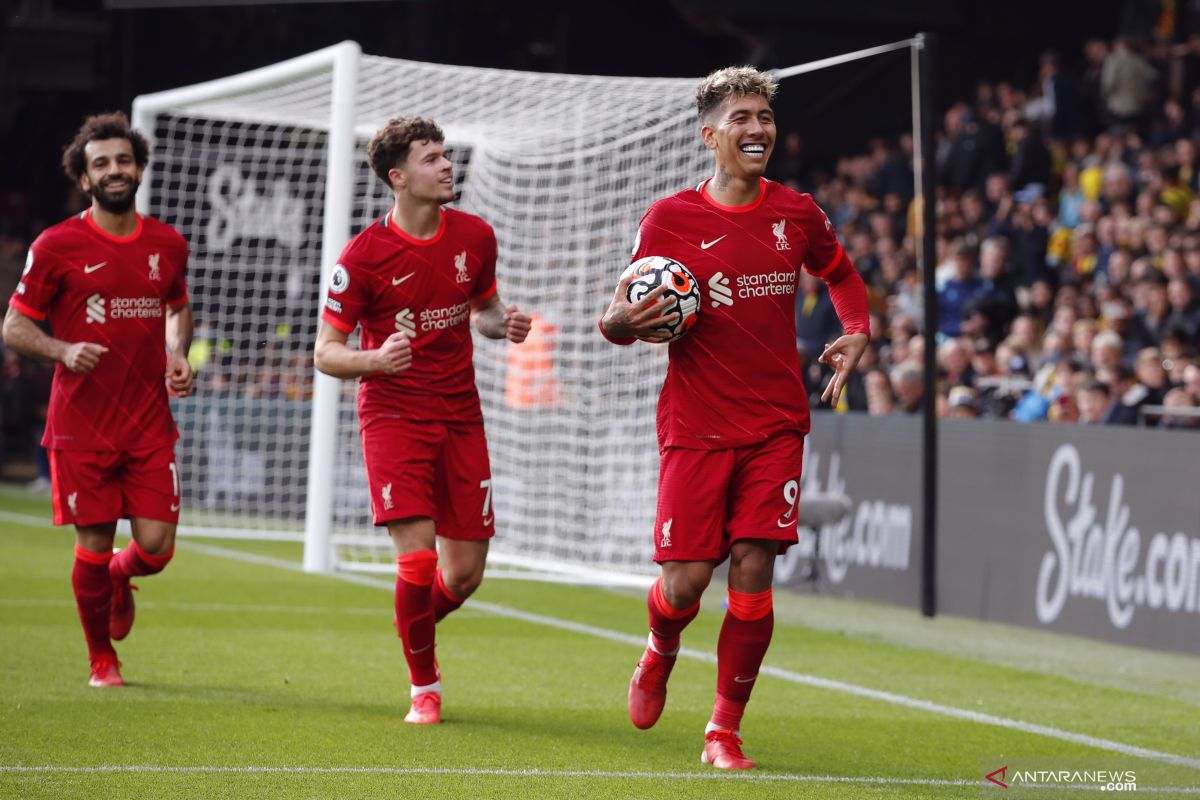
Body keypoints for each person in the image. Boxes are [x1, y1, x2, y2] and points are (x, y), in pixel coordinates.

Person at [598, 67, 869, 770]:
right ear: (709, 134)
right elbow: (618, 315)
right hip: (694, 426)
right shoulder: (669, 220)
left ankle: (723, 730)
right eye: (742, 118)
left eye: (765, 118)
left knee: (755, 568)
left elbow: (840, 273)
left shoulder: (797, 212)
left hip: (777, 423)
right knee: (685, 585)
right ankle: (659, 650)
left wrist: (857, 327)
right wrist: (621, 322)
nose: (757, 130)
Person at [313, 117, 531, 725]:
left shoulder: (476, 236)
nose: (446, 165)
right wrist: (374, 360)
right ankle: (425, 687)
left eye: (446, 155)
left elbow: (483, 312)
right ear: (399, 177)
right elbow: (325, 353)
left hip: (461, 415)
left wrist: (503, 325)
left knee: (462, 577)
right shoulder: (361, 258)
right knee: (418, 562)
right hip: (393, 416)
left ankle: (410, 620)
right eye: (432, 158)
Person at [1, 112, 194, 687]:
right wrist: (60, 350)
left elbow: (177, 307)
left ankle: (119, 577)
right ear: (85, 180)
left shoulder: (168, 243)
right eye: (102, 163)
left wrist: (177, 352)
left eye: (124, 161)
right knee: (93, 542)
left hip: (149, 424)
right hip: (81, 427)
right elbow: (13, 326)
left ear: (139, 169)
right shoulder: (56, 245)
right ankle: (101, 659)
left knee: (156, 549)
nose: (115, 171)